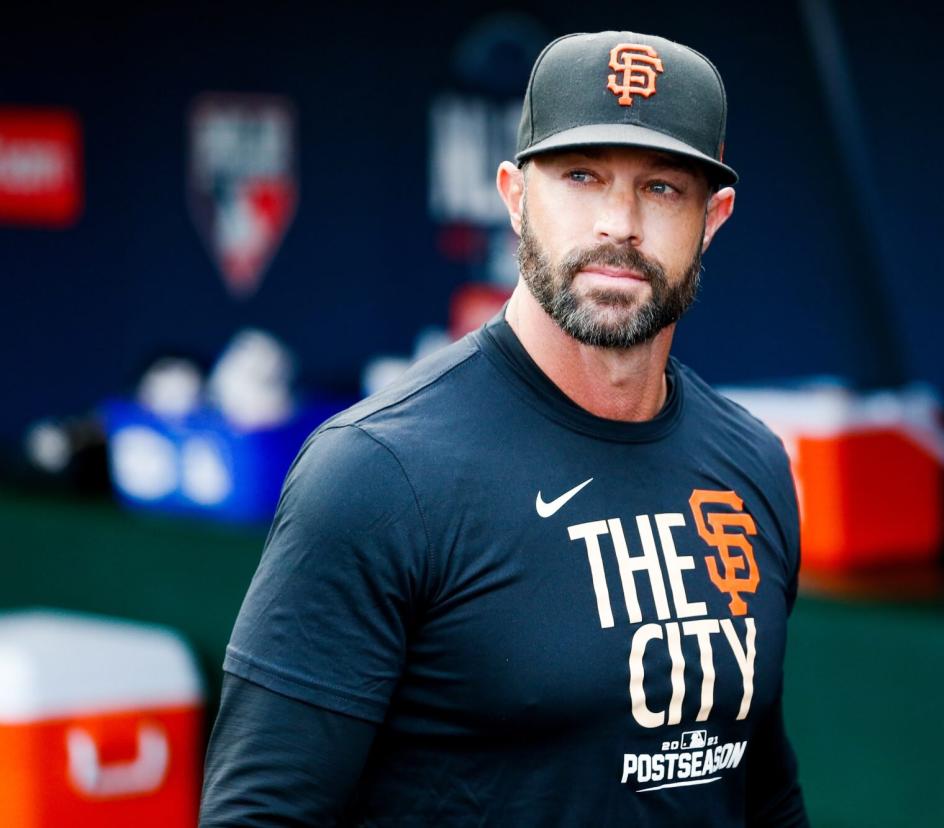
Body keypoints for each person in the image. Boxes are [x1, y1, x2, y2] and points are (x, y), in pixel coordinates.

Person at [200, 29, 808, 827]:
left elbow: (758, 790)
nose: (618, 223)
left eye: (662, 188)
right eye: (582, 177)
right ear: (516, 196)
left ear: (713, 218)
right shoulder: (378, 473)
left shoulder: (752, 463)